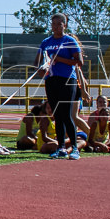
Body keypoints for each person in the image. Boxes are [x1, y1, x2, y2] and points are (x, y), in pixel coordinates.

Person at [35, 13, 84, 160]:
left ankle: (75, 148)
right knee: (57, 115)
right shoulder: (45, 42)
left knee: (66, 114)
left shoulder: (69, 41)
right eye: (53, 24)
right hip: (51, 80)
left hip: (67, 80)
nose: (56, 27)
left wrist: (58, 58)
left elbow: (79, 62)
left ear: (65, 25)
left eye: (59, 24)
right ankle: (60, 147)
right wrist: (41, 69)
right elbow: (38, 62)